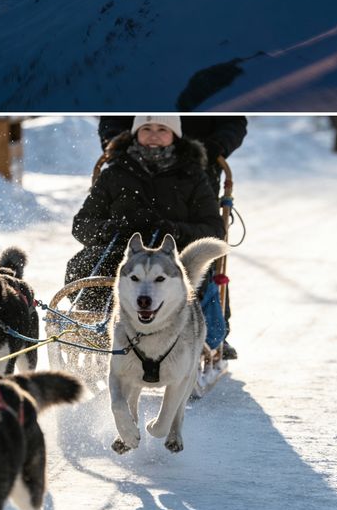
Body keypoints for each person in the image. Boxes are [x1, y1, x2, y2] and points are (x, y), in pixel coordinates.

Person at [65, 115, 233, 353]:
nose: (153, 135)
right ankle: (96, 329)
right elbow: (82, 224)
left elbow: (214, 229)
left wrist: (175, 229)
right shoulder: (116, 171)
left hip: (170, 255)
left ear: (174, 135)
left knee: (189, 279)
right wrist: (109, 228)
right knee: (84, 265)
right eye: (146, 128)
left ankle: (191, 339)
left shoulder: (192, 174)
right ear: (135, 133)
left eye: (162, 129)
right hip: (119, 250)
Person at [98, 115, 247, 197]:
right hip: (134, 160)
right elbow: (112, 119)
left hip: (200, 165)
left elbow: (233, 122)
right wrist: (117, 142)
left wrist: (218, 145)